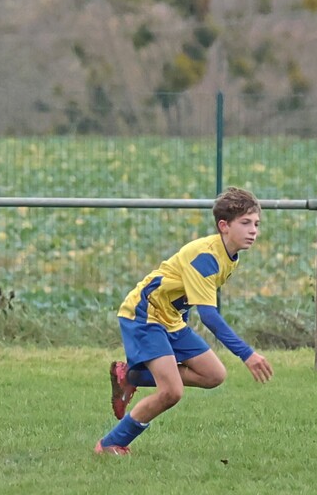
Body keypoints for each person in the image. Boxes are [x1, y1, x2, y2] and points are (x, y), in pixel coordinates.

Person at [97, 186, 273, 455]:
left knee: (214, 375)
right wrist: (247, 354)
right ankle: (111, 443)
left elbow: (185, 293)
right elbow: (209, 316)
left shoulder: (230, 255)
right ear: (224, 226)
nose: (253, 231)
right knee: (171, 392)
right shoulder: (206, 258)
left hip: (171, 318)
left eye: (256, 224)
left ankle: (131, 376)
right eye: (245, 223)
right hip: (145, 315)